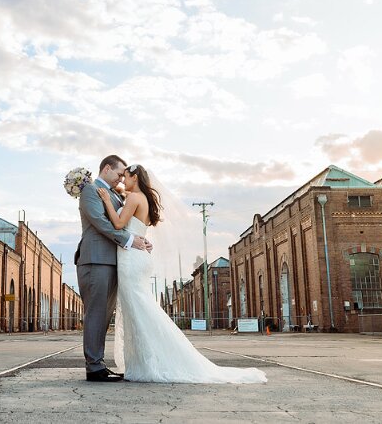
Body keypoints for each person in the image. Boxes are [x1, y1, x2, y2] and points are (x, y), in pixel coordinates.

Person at [97, 164, 267, 384]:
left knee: (139, 311)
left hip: (131, 259)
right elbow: (128, 206)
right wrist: (118, 193)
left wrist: (105, 200)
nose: (122, 181)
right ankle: (145, 361)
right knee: (139, 311)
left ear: (135, 177)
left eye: (125, 177)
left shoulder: (134, 198)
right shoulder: (143, 199)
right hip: (139, 258)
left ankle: (150, 362)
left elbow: (119, 223)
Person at [75, 155, 152, 382]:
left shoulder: (115, 194)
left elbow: (126, 223)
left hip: (113, 261)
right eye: (118, 173)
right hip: (95, 259)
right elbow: (102, 224)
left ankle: (98, 363)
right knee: (96, 313)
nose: (121, 178)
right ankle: (94, 367)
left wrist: (141, 240)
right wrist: (131, 240)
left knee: (104, 315)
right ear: (106, 168)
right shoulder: (90, 191)